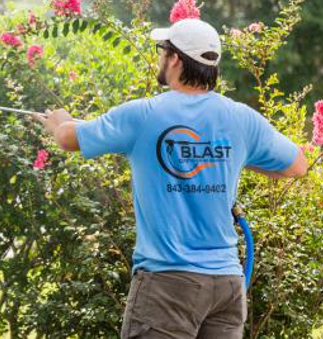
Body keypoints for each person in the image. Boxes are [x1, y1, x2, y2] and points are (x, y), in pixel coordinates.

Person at [32, 18, 308, 339]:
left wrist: (59, 119)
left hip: (168, 285)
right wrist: (237, 156)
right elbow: (297, 165)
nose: (161, 57)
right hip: (226, 287)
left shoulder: (143, 115)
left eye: (163, 50)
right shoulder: (240, 118)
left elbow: (68, 138)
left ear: (175, 59)